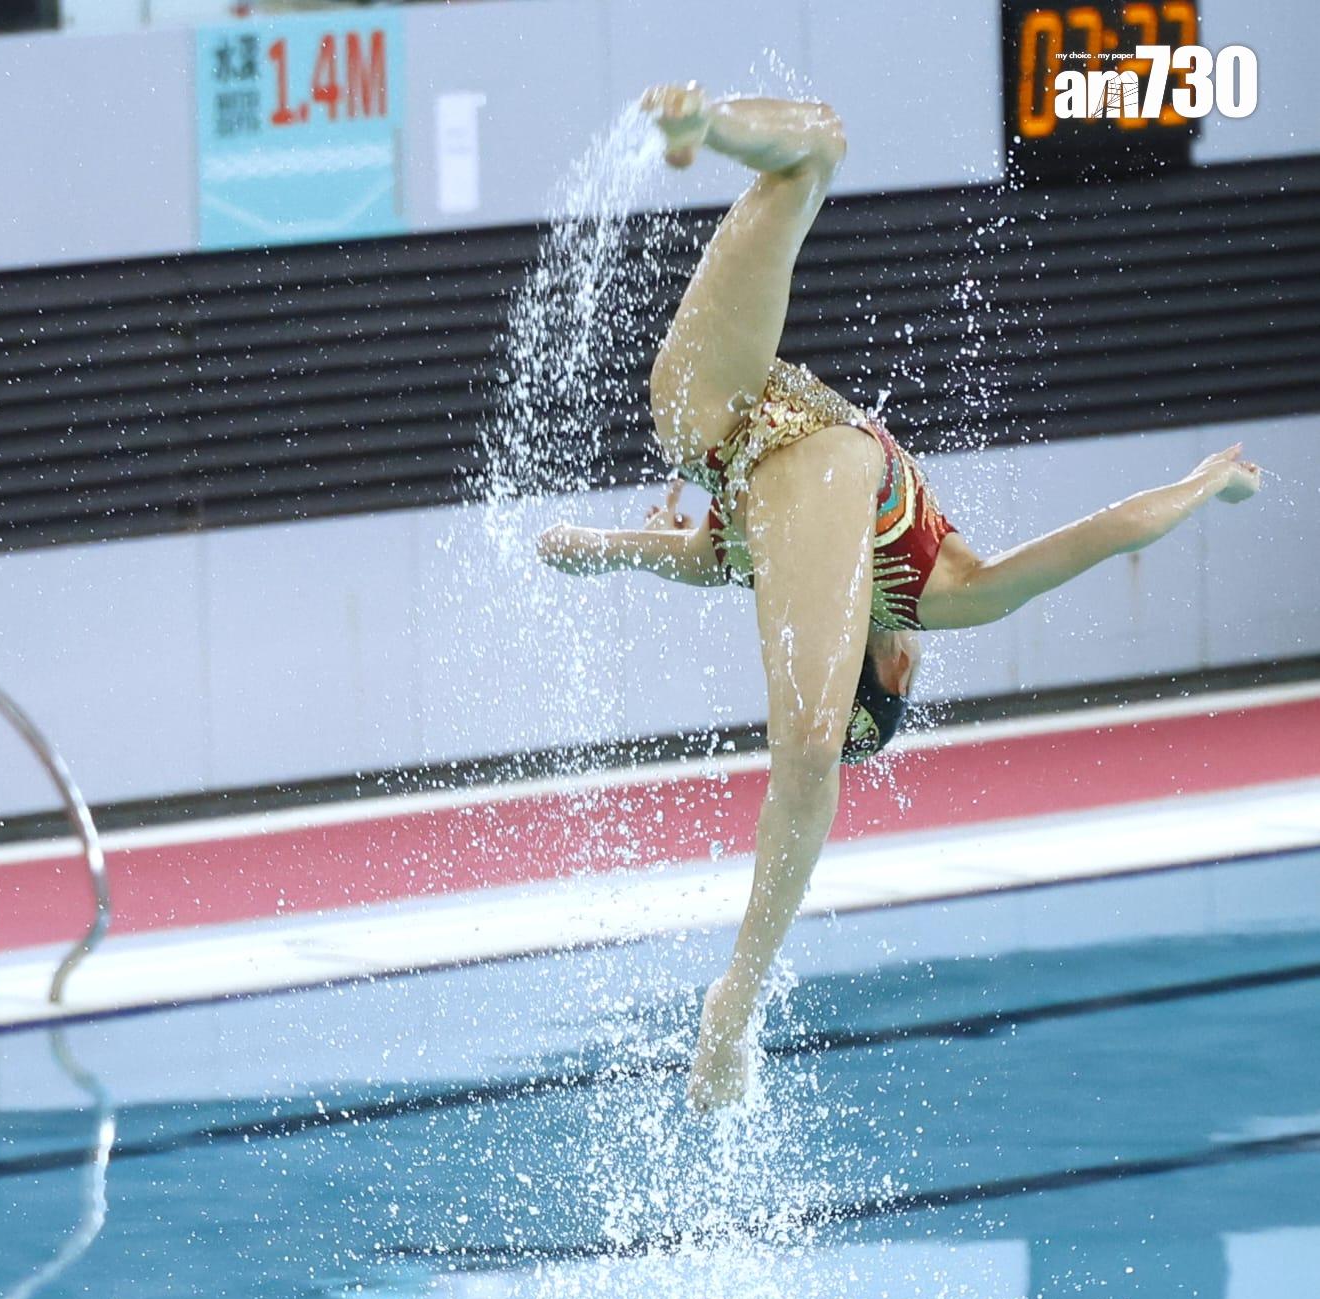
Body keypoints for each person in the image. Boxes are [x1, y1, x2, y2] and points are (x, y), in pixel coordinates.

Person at [538, 86, 1263, 1111]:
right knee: (817, 147)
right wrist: (608, 552)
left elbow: (1095, 536)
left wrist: (1199, 488)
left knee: (806, 752)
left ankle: (733, 1007)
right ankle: (703, 127)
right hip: (723, 399)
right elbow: (704, 559)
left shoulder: (917, 595)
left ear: (893, 668)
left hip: (718, 419)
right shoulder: (877, 573)